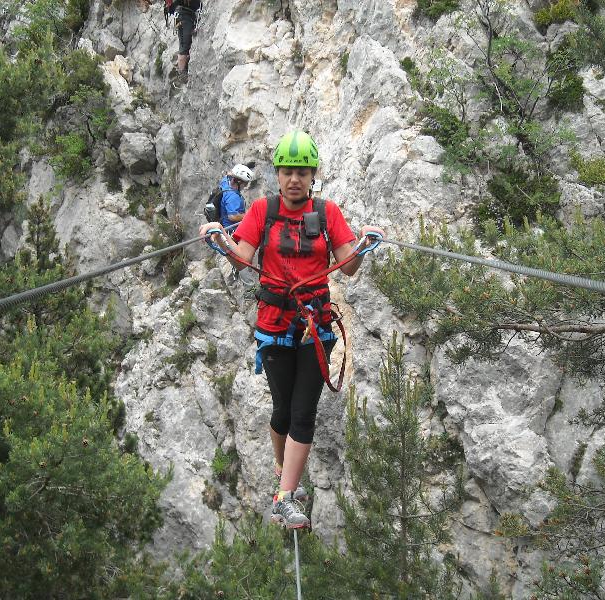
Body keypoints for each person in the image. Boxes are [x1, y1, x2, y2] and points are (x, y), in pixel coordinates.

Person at [199, 130, 385, 528]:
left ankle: (284, 496)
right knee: (282, 411)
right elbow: (243, 257)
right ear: (278, 174)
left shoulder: (328, 212)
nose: (295, 178)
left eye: (302, 171)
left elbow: (347, 266)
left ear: (312, 174)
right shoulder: (263, 212)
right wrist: (218, 239)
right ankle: (286, 471)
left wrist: (364, 246)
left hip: (315, 329)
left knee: (304, 412)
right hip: (274, 326)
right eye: (288, 171)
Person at [173, 0, 202, 82]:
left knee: (185, 44)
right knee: (184, 46)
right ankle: (182, 74)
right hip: (184, 15)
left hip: (185, 14)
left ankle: (183, 70)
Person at [219, 164, 254, 228]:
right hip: (230, 230)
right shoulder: (233, 197)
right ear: (239, 182)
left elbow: (228, 175)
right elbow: (233, 216)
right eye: (245, 183)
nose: (246, 186)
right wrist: (251, 215)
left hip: (222, 221)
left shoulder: (225, 182)